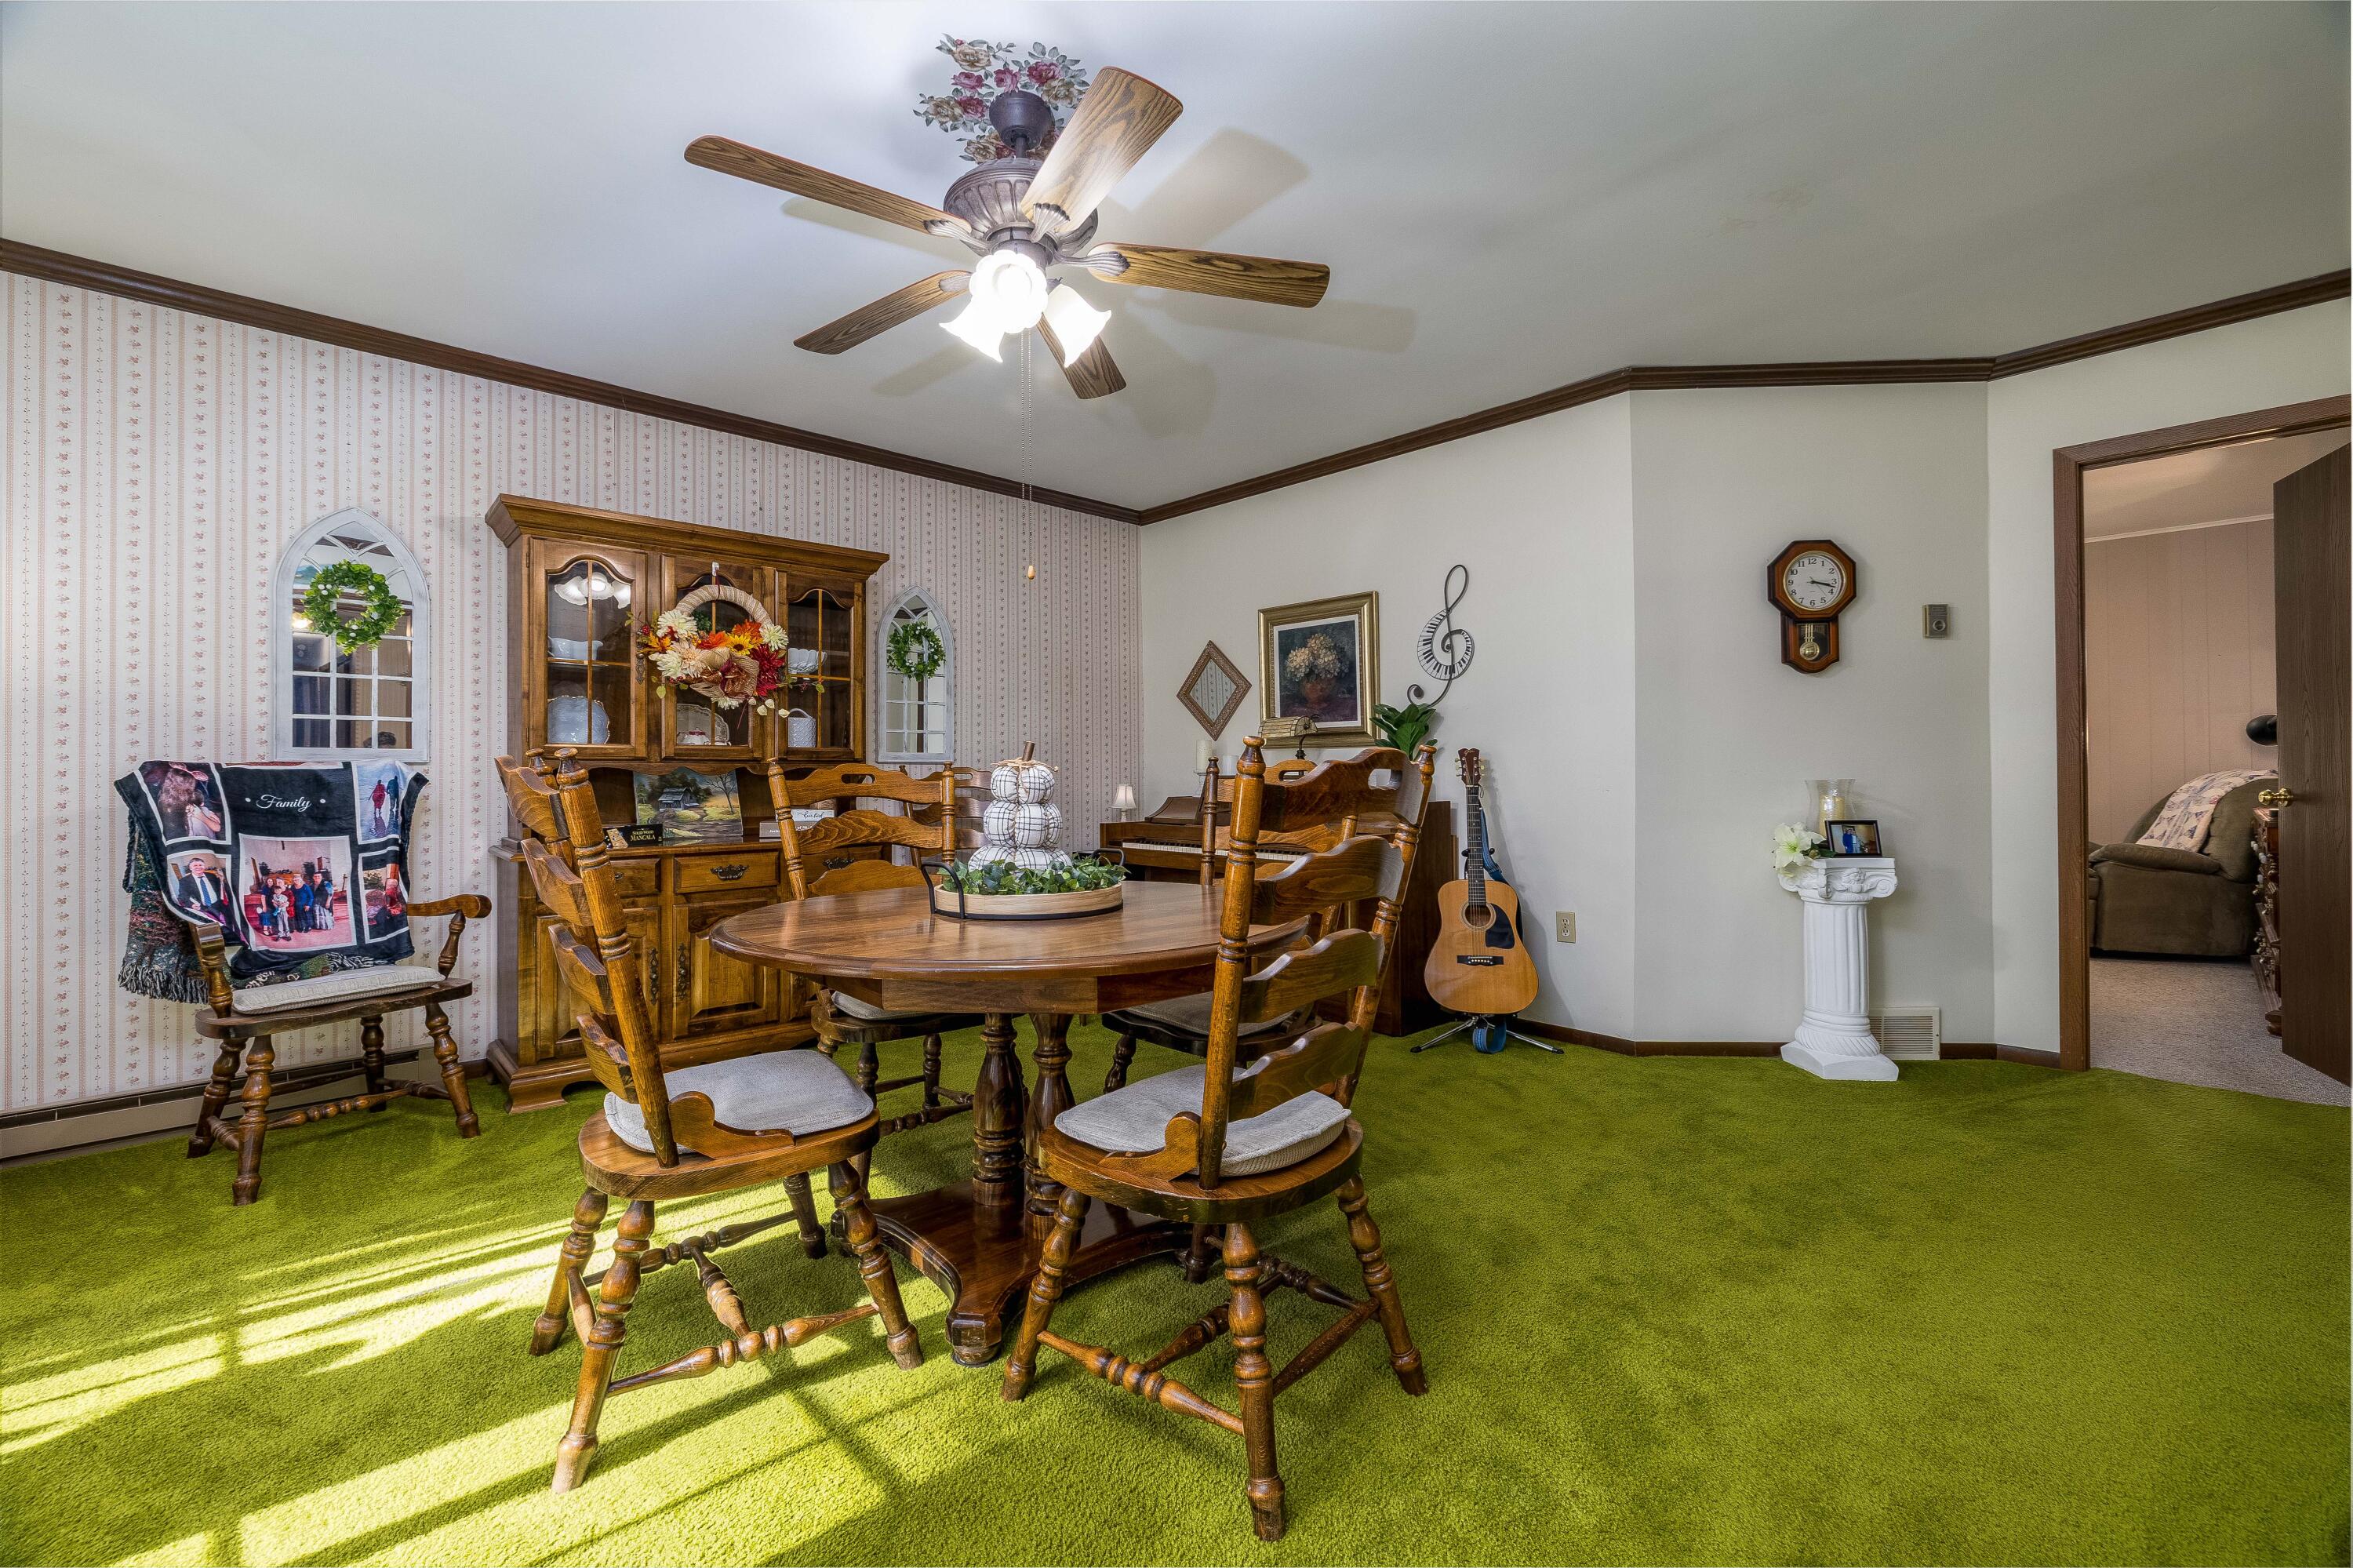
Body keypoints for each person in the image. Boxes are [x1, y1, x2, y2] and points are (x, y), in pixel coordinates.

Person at [176, 857, 230, 926]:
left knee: (228, 920)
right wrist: (191, 905)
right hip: (203, 907)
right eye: (195, 865)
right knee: (216, 924)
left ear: (204, 866)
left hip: (219, 903)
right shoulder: (185, 881)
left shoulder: (212, 876)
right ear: (190, 868)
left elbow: (220, 888)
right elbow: (183, 896)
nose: (198, 867)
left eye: (200, 865)